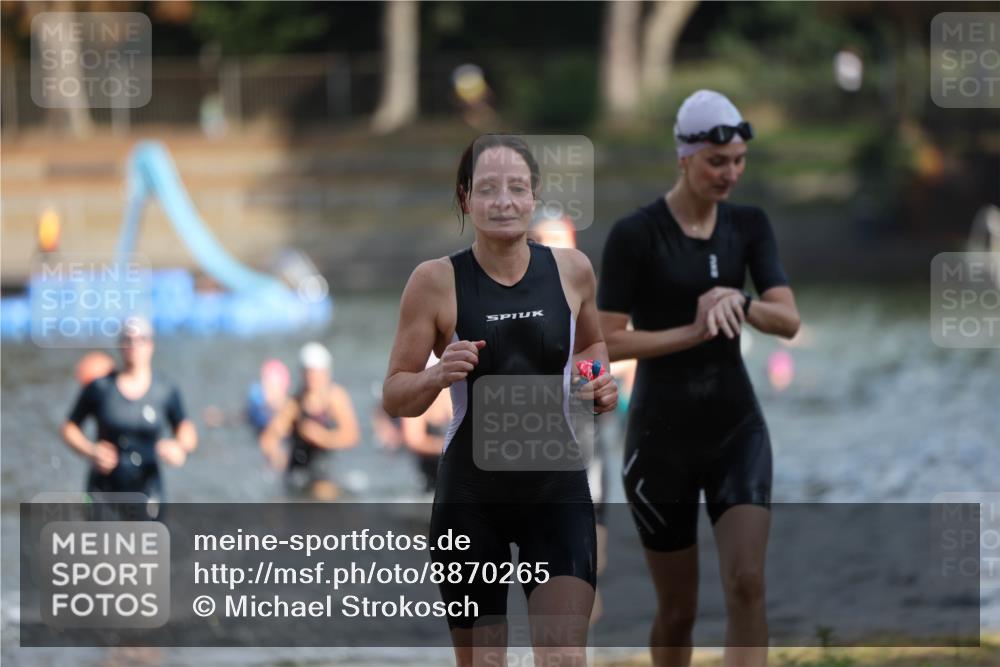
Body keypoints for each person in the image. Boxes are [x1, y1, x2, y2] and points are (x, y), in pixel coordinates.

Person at [382, 134, 617, 666]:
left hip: (556, 491)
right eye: (488, 189)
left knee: (564, 658)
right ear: (466, 198)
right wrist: (437, 374)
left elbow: (592, 347)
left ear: (534, 194)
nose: (504, 201)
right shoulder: (434, 282)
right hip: (471, 499)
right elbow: (395, 395)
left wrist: (594, 380)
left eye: (516, 187)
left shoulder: (573, 270)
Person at [597, 90, 801, 667]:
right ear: (684, 157)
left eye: (739, 161)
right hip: (660, 439)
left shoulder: (749, 225)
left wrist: (741, 301)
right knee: (678, 610)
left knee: (747, 583)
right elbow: (606, 341)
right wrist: (691, 331)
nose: (730, 174)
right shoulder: (636, 234)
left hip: (737, 430)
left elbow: (788, 320)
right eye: (717, 162)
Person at [61, 316, 197, 516]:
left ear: (150, 345)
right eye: (128, 340)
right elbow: (69, 428)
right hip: (103, 488)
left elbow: (187, 432)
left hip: (147, 487)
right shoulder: (100, 387)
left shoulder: (165, 390)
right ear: (120, 345)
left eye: (140, 339)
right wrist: (91, 450)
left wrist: (179, 447)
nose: (134, 346)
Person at [260, 342, 360, 500]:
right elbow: (269, 439)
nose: (312, 378)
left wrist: (322, 437)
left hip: (324, 469)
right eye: (309, 373)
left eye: (316, 373)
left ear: (326, 373)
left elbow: (352, 436)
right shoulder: (294, 405)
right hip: (298, 472)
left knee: (324, 493)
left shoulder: (335, 399)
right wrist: (277, 456)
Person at [400, 354, 452, 496]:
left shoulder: (459, 396)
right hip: (428, 475)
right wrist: (450, 446)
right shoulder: (417, 400)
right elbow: (414, 441)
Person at [247, 358, 292, 435]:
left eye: (270, 386)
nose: (264, 389)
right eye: (264, 385)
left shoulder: (291, 410)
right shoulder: (257, 410)